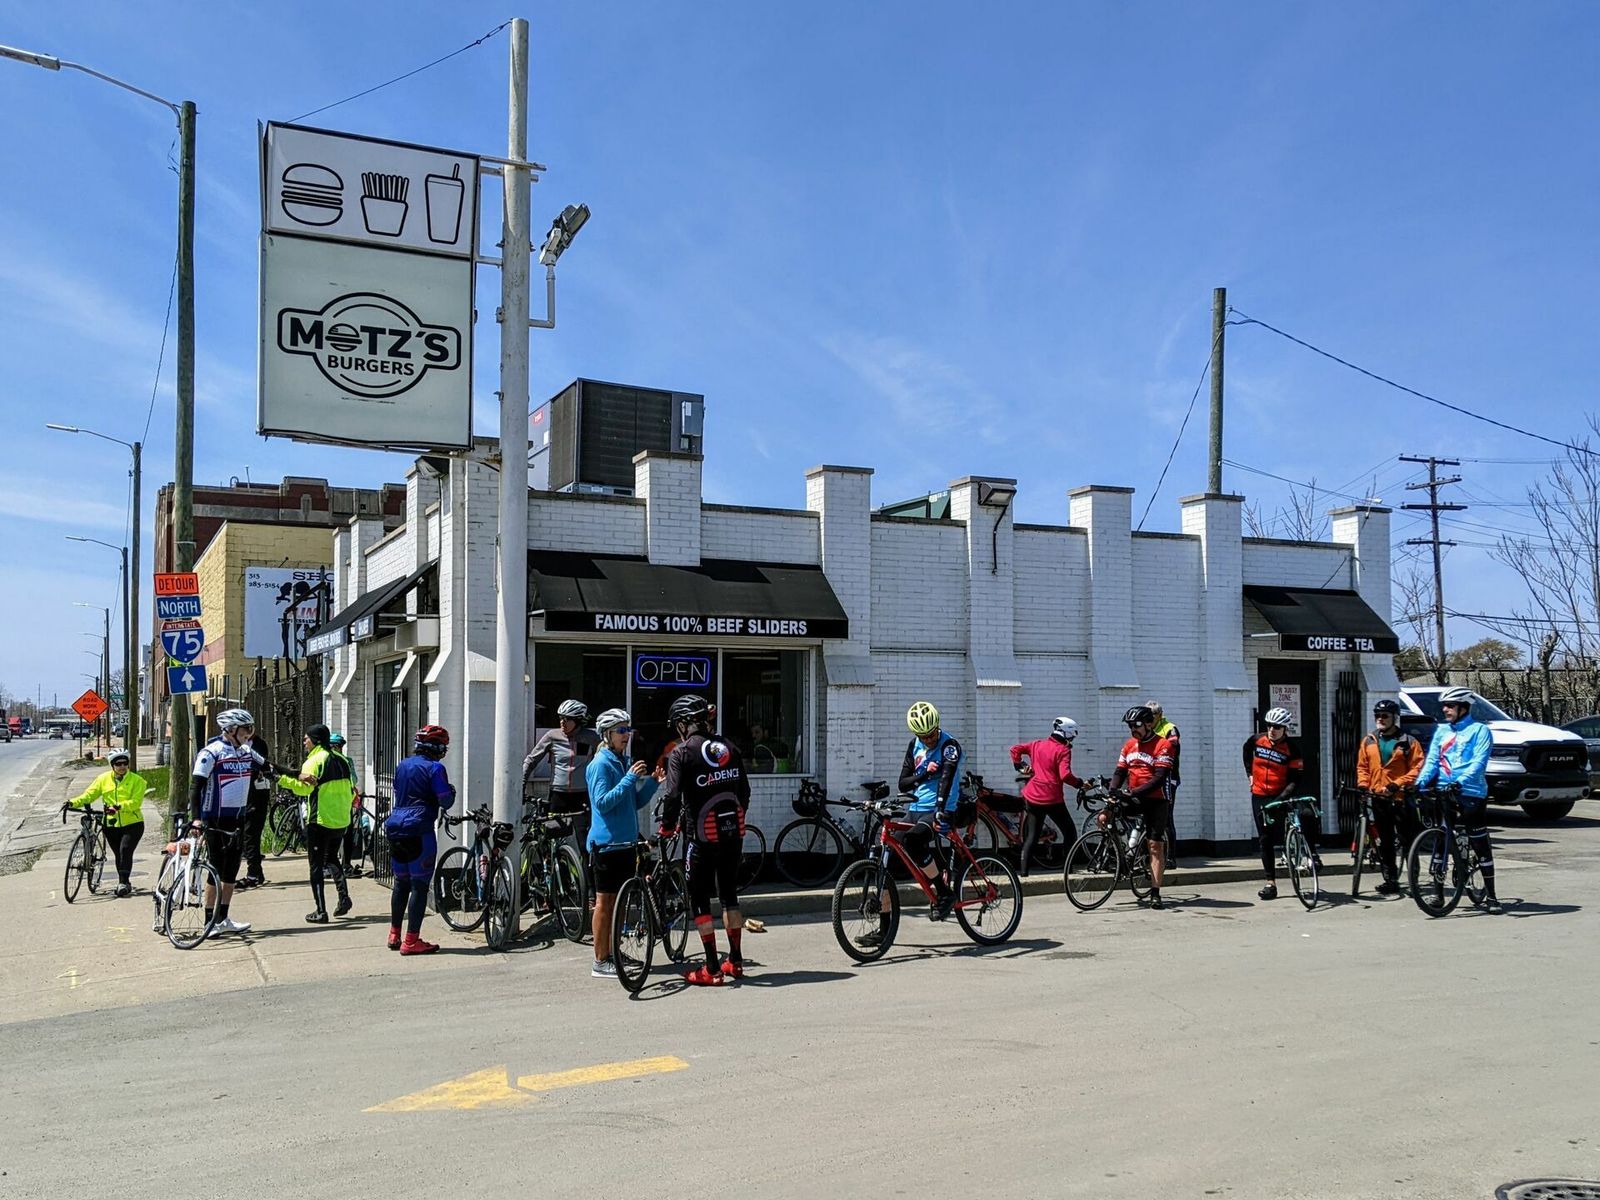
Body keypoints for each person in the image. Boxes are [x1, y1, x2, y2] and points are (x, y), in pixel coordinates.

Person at [659, 694, 752, 986]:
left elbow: (672, 795)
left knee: (699, 898)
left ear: (684, 724)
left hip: (699, 835)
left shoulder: (681, 753)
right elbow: (745, 792)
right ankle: (735, 961)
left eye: (677, 724)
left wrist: (667, 827)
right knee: (729, 896)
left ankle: (711, 968)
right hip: (732, 832)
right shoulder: (729, 747)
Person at [585, 708, 659, 980]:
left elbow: (632, 802)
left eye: (628, 730)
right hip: (606, 846)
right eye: (621, 731)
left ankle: (613, 953)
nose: (627, 735)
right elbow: (602, 802)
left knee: (618, 905)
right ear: (607, 734)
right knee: (604, 903)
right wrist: (629, 779)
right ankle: (600, 960)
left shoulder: (620, 761)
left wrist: (652, 784)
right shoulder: (600, 765)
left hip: (625, 843)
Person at [190, 708, 276, 935]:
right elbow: (196, 787)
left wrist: (297, 775)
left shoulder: (246, 752)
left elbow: (269, 767)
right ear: (231, 729)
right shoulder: (211, 752)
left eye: (251, 728)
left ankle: (223, 918)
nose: (250, 733)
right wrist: (196, 819)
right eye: (246, 729)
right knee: (216, 869)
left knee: (231, 871)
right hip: (215, 818)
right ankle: (209, 922)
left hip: (238, 818)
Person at [1414, 686, 1499, 911]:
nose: (1445, 709)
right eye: (1444, 706)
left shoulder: (1479, 730)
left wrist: (1460, 782)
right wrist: (1419, 783)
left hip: (1471, 791)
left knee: (1478, 841)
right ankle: (1438, 894)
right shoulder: (1442, 731)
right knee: (1441, 839)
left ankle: (1492, 897)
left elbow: (1479, 762)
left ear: (1463, 708)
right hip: (1444, 791)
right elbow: (1432, 761)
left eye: (1450, 706)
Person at [384, 724, 457, 953]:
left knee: (400, 884)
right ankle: (411, 941)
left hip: (396, 829)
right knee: (419, 886)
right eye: (443, 747)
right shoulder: (435, 769)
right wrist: (451, 791)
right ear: (436, 748)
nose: (444, 751)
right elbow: (445, 801)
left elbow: (399, 793)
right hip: (420, 831)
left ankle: (394, 934)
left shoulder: (402, 765)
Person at [278, 723, 354, 923]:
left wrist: (280, 780)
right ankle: (343, 897)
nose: (304, 741)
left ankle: (321, 911)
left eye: (306, 738)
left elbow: (303, 789)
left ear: (315, 740)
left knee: (316, 866)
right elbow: (351, 788)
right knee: (332, 859)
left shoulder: (314, 761)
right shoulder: (342, 759)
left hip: (320, 821)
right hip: (341, 820)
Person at [897, 700, 964, 923]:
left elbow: (947, 778)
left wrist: (940, 809)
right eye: (923, 736)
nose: (928, 739)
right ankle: (884, 928)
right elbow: (903, 784)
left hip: (942, 809)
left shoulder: (949, 745)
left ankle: (944, 892)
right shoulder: (914, 745)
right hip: (915, 808)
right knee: (887, 852)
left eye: (931, 734)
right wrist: (925, 773)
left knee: (913, 841)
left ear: (937, 726)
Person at [1354, 699, 1425, 894]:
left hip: (1401, 799)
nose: (1380, 719)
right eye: (1377, 715)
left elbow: (1417, 768)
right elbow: (1362, 767)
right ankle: (1390, 880)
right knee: (1385, 842)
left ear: (1395, 718)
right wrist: (1363, 786)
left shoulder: (1408, 741)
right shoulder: (1369, 740)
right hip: (1379, 798)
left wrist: (1397, 784)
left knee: (1408, 840)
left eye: (1385, 716)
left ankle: (1413, 881)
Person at [1108, 705, 1174, 909]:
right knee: (1104, 817)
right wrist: (1112, 792)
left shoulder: (1163, 745)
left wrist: (1133, 792)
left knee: (1155, 845)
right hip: (1134, 795)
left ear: (1148, 724)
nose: (1133, 729)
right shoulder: (1129, 745)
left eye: (1136, 725)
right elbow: (1120, 771)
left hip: (1156, 799)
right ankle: (1122, 856)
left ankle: (1155, 892)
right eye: (1130, 726)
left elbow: (1159, 778)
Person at [1243, 706, 1313, 901]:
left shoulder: (1292, 749)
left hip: (1280, 794)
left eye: (1277, 727)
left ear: (1285, 729)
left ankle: (1311, 854)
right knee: (1265, 839)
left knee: (1306, 816)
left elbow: (1295, 779)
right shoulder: (1256, 740)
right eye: (1269, 726)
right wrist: (1249, 774)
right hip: (1259, 795)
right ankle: (1270, 883)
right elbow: (1246, 751)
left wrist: (1281, 798)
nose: (1272, 730)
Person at [1008, 716, 1082, 877]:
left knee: (1032, 837)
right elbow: (1065, 775)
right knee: (1070, 832)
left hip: (1032, 796)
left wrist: (1019, 765)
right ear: (1067, 733)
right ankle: (1068, 870)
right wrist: (1079, 783)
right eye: (1073, 735)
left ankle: (1024, 874)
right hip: (1052, 798)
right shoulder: (1063, 750)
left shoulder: (1037, 744)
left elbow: (1015, 749)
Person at [67, 748, 145, 896]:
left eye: (125, 763)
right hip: (110, 824)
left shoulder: (137, 781)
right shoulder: (103, 779)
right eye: (118, 764)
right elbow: (89, 795)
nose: (122, 767)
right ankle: (125, 881)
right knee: (118, 855)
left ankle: (123, 883)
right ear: (112, 765)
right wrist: (72, 802)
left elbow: (136, 802)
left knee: (125, 850)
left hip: (133, 824)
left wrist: (119, 807)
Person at [522, 699, 599, 847]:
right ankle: (549, 860)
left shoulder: (591, 738)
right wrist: (522, 784)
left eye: (567, 719)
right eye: (560, 718)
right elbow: (531, 760)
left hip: (582, 794)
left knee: (584, 839)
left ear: (578, 720)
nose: (562, 722)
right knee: (550, 838)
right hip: (558, 794)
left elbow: (604, 761)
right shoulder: (552, 736)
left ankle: (584, 862)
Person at [236, 729, 274, 890]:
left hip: (255, 797)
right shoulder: (238, 745)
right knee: (246, 836)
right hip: (243, 798)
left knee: (250, 835)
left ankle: (253, 875)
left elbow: (257, 767)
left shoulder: (258, 745)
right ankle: (257, 872)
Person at [1147, 700, 1182, 868]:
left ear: (1160, 715)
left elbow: (1173, 747)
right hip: (1149, 779)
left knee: (1166, 818)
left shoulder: (1170, 728)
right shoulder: (1147, 728)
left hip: (1168, 778)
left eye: (1152, 716)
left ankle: (1170, 857)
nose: (1149, 719)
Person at [329, 732, 365, 877]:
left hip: (345, 802)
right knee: (331, 835)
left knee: (348, 833)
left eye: (339, 746)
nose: (338, 749)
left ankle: (346, 864)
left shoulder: (347, 761)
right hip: (330, 803)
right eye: (335, 746)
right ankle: (329, 865)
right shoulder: (326, 760)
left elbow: (354, 779)